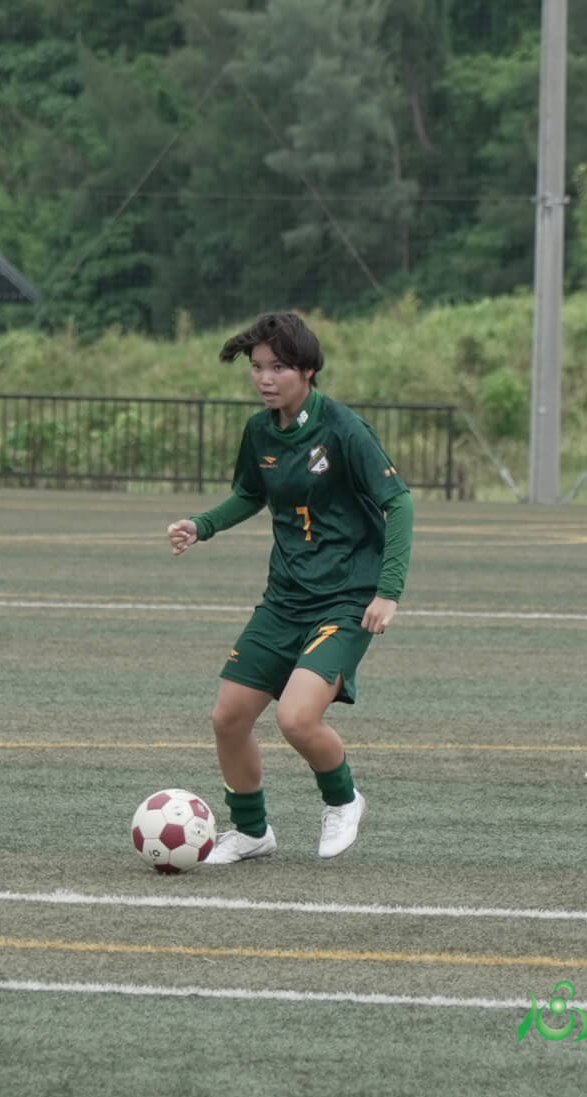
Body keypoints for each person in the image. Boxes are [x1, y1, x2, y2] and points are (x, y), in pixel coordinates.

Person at [166, 311, 414, 863]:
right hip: (284, 598)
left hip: (347, 599)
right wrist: (202, 526)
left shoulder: (344, 429)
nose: (264, 378)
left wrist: (388, 591)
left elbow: (400, 504)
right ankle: (252, 832)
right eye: (257, 367)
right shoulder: (260, 432)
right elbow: (249, 494)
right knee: (228, 718)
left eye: (277, 367)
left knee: (297, 717)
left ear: (307, 369)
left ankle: (344, 800)